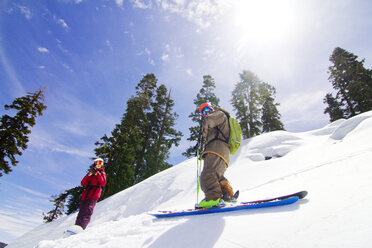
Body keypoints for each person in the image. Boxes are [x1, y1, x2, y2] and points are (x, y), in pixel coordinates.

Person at [197, 103, 235, 208]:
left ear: (211, 108)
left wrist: (204, 128)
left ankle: (213, 197)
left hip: (216, 150)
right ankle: (227, 195)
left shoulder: (219, 114)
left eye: (206, 110)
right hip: (222, 152)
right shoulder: (218, 121)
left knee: (207, 174)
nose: (206, 113)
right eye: (203, 112)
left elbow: (209, 121)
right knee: (217, 176)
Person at [69, 158, 106, 233]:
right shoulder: (90, 173)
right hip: (86, 194)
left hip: (94, 194)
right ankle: (76, 226)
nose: (98, 164)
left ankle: (82, 227)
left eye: (100, 163)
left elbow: (103, 183)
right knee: (82, 210)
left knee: (88, 210)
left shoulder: (102, 173)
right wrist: (89, 174)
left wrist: (98, 174)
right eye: (97, 163)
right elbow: (82, 183)